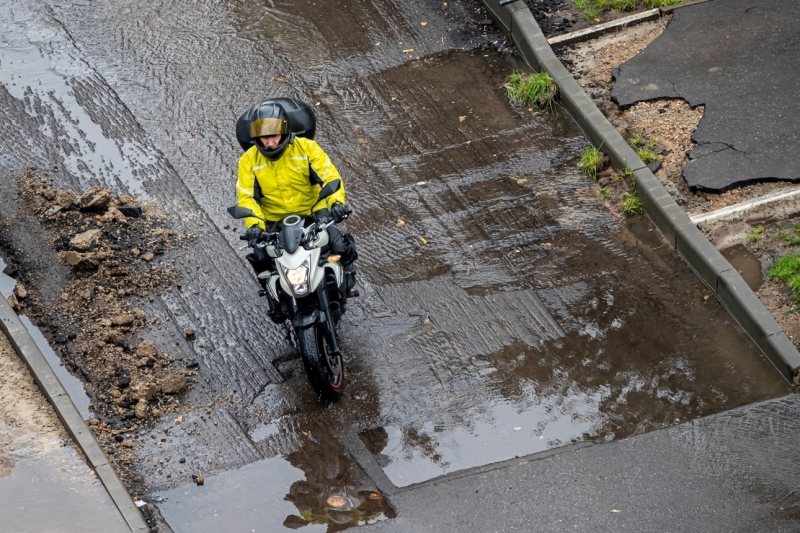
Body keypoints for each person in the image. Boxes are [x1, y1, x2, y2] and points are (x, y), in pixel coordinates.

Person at [236, 101, 358, 322]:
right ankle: (275, 299)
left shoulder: (307, 148)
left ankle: (345, 281)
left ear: (285, 132)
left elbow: (330, 176)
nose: (270, 142)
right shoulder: (248, 160)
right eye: (265, 138)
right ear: (256, 138)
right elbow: (246, 197)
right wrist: (255, 226)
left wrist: (337, 203)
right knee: (261, 259)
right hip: (274, 221)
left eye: (274, 136)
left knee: (340, 246)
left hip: (313, 212)